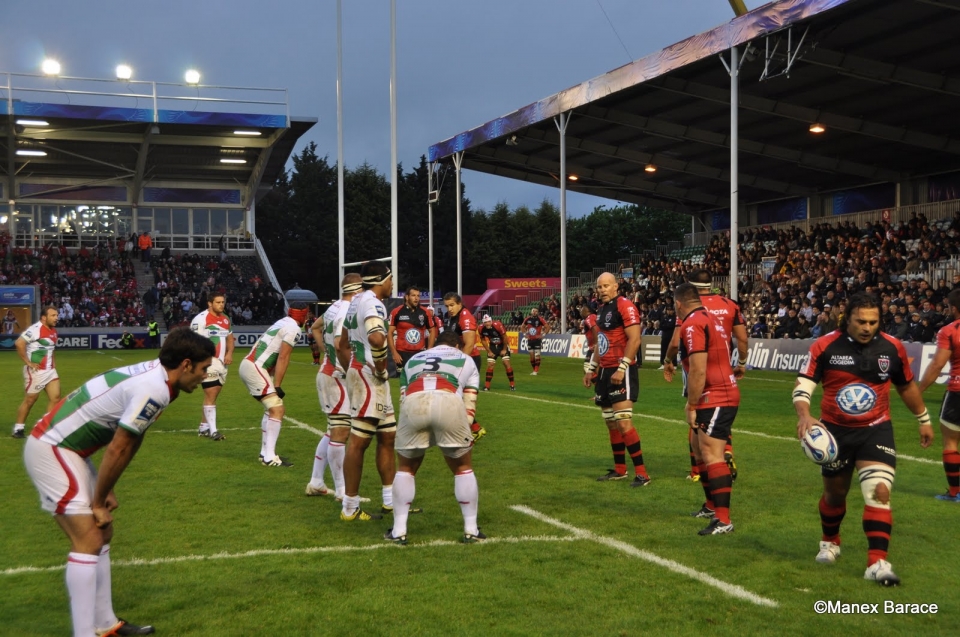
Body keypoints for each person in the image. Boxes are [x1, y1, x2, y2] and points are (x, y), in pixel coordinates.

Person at [23, 328, 213, 637]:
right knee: (88, 540)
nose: (205, 376)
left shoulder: (160, 379)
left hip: (67, 448)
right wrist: (97, 501)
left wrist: (105, 488)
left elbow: (129, 439)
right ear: (187, 364)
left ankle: (106, 624)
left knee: (102, 532)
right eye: (204, 369)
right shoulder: (155, 387)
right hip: (53, 447)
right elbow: (120, 446)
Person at [793, 293, 933, 586]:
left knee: (879, 490)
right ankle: (830, 541)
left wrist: (923, 419)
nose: (867, 327)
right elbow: (804, 384)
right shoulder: (825, 345)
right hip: (835, 431)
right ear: (848, 318)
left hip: (876, 429)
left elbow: (906, 387)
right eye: (861, 321)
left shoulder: (892, 347)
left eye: (873, 321)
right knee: (835, 495)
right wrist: (804, 414)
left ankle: (877, 562)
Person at [386, 330, 484, 544]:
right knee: (462, 467)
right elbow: (470, 402)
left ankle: (399, 531)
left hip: (414, 403)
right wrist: (466, 428)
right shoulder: (465, 358)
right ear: (456, 346)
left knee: (406, 468)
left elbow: (403, 398)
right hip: (448, 400)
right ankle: (471, 529)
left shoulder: (414, 360)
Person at [664, 271, 746, 482]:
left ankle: (697, 471)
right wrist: (742, 363)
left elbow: (675, 342)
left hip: (698, 364)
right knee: (719, 415)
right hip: (724, 367)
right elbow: (742, 338)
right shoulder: (729, 304)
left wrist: (668, 361)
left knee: (696, 414)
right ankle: (726, 448)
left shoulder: (690, 307)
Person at [673, 283, 740, 535]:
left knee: (712, 454)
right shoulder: (712, 318)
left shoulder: (691, 324)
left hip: (716, 395)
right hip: (718, 391)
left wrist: (691, 404)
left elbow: (699, 368)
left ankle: (723, 520)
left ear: (679, 304)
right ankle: (712, 507)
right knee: (699, 449)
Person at [337, 262, 397, 520]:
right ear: (382, 280)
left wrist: (352, 367)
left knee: (388, 436)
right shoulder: (373, 302)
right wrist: (381, 368)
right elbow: (376, 338)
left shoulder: (357, 301)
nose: (392, 284)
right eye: (391, 279)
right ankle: (349, 508)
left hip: (362, 372)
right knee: (359, 441)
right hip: (370, 375)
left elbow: (342, 343)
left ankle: (391, 501)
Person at [582, 272, 650, 486]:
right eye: (599, 286)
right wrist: (591, 368)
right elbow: (601, 342)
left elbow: (635, 339)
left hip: (622, 370)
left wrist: (622, 367)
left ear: (615, 286)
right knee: (611, 423)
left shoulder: (625, 305)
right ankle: (620, 470)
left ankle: (642, 473)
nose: (601, 289)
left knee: (623, 422)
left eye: (605, 286)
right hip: (604, 371)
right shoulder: (601, 310)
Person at [305, 274, 361, 499]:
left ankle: (317, 481)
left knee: (333, 430)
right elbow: (340, 344)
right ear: (358, 291)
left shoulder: (332, 308)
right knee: (341, 431)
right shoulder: (346, 312)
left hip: (331, 372)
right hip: (337, 376)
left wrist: (326, 352)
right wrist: (349, 370)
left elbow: (316, 328)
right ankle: (342, 490)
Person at [238, 304, 308, 466]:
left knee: (271, 409)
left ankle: (265, 453)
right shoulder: (294, 329)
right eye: (306, 314)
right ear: (302, 316)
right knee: (277, 409)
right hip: (256, 367)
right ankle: (269, 457)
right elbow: (283, 357)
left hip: (249, 364)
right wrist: (277, 384)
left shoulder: (282, 322)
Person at [917, 287, 960, 502]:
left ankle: (955, 493)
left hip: (957, 392)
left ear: (953, 308)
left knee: (951, 442)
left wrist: (918, 391)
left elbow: (937, 365)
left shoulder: (949, 331)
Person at [190, 293, 235, 442]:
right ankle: (213, 431)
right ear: (210, 303)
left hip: (222, 363)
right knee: (211, 394)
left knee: (213, 395)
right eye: (218, 302)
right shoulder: (200, 319)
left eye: (223, 302)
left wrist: (229, 353)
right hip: (208, 361)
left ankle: (203, 427)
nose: (221, 305)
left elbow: (230, 338)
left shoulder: (225, 319)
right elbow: (194, 343)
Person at [442, 292, 486, 441]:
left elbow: (469, 344)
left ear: (460, 304)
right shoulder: (452, 317)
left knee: (459, 396)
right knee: (456, 396)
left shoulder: (465, 317)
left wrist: (460, 365)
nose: (449, 308)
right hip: (458, 359)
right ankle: (475, 428)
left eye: (452, 305)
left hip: (469, 360)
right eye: (447, 306)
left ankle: (470, 430)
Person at [12, 306, 60, 439]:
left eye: (57, 315)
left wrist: (53, 363)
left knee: (55, 398)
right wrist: (28, 363)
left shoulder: (54, 331)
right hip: (36, 372)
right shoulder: (35, 329)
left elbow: (51, 348)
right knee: (30, 400)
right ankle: (18, 429)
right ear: (44, 317)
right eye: (53, 315)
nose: (56, 318)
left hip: (50, 371)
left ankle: (47, 427)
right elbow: (19, 343)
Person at [388, 286, 437, 374]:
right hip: (402, 353)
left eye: (418, 296)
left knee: (418, 381)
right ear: (407, 297)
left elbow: (432, 330)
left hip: (420, 353)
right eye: (413, 295)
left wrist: (429, 349)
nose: (416, 298)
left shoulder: (425, 312)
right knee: (403, 382)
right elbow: (389, 333)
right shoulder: (396, 312)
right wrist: (394, 352)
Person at [479, 314, 515, 391]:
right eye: (486, 322)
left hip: (502, 345)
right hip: (492, 346)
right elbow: (482, 340)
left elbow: (505, 337)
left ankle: (512, 385)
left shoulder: (498, 325)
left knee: (506, 363)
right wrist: (489, 351)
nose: (487, 323)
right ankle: (487, 386)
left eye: (489, 321)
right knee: (490, 365)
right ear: (483, 323)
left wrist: (504, 349)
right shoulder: (481, 328)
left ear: (491, 321)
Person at [521, 307, 550, 375]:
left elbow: (548, 327)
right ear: (531, 312)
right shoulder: (527, 319)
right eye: (533, 311)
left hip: (537, 340)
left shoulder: (540, 319)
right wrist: (525, 334)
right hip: (530, 340)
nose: (534, 312)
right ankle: (534, 369)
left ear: (538, 312)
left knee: (537, 355)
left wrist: (543, 335)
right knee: (531, 357)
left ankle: (536, 371)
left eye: (536, 311)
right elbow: (522, 327)